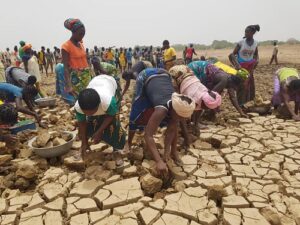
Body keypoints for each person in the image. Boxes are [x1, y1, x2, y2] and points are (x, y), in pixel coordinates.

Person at [126, 68, 195, 174]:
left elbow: (172, 130)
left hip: (164, 75)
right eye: (181, 116)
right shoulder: (161, 110)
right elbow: (148, 135)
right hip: (146, 76)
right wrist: (158, 161)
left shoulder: (177, 107)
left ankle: (173, 152)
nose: (182, 120)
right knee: (136, 112)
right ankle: (129, 143)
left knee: (174, 122)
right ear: (174, 110)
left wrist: (167, 151)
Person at [75, 75, 126, 165]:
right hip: (96, 82)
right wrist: (84, 142)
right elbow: (82, 124)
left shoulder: (108, 101)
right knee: (89, 123)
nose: (89, 114)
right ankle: (84, 147)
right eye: (86, 112)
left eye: (92, 112)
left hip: (110, 83)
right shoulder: (79, 106)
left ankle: (117, 150)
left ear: (98, 105)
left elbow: (111, 116)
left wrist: (99, 131)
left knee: (115, 124)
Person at [169, 65, 222, 146]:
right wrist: (186, 135)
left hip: (188, 74)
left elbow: (199, 108)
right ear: (203, 103)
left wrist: (195, 124)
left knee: (190, 115)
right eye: (206, 108)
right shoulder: (192, 98)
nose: (206, 109)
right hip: (176, 73)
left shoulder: (205, 93)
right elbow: (182, 114)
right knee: (177, 104)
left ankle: (189, 125)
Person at [60, 18, 92, 105]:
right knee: (81, 100)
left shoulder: (81, 44)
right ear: (73, 32)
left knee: (90, 99)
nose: (82, 36)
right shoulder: (66, 46)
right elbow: (66, 68)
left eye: (84, 34)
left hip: (87, 76)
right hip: (77, 79)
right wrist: (68, 85)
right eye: (80, 34)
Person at [229, 24, 260, 106]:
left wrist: (256, 61)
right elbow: (232, 55)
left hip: (250, 67)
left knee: (250, 85)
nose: (245, 33)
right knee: (242, 85)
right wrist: (237, 65)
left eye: (247, 32)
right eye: (245, 32)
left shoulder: (255, 44)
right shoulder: (241, 43)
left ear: (253, 33)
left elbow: (256, 55)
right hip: (241, 66)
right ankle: (240, 104)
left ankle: (250, 103)